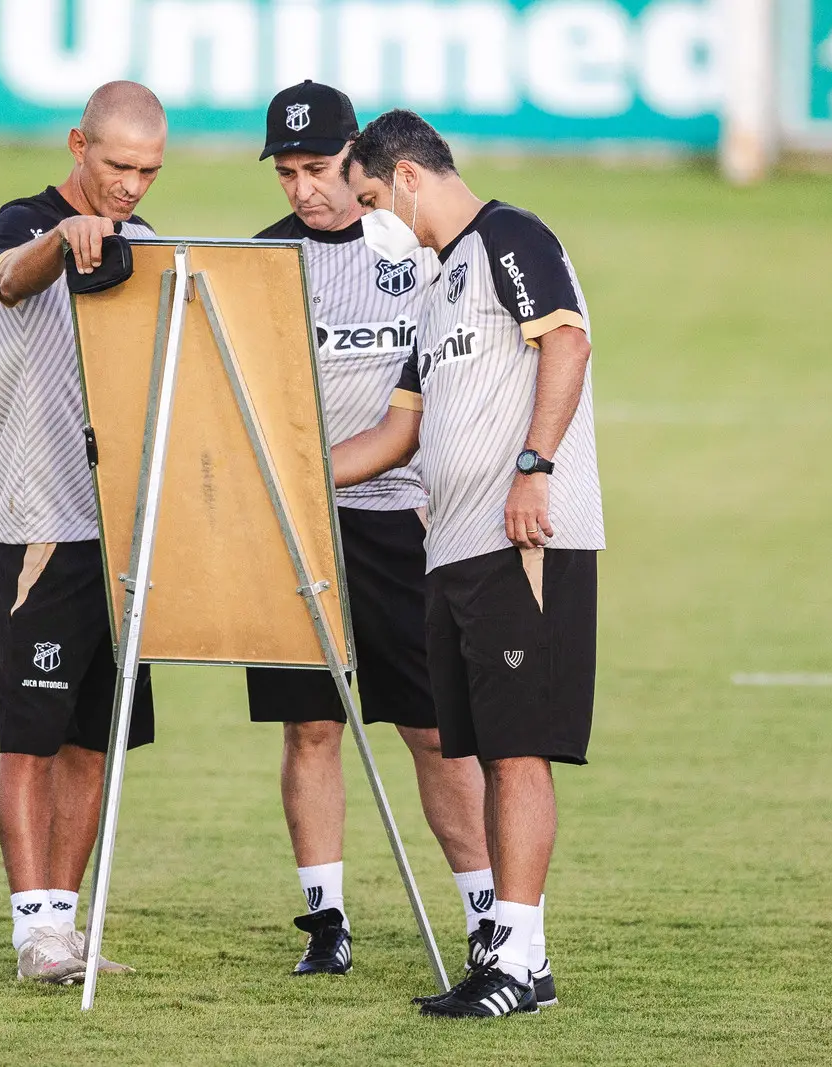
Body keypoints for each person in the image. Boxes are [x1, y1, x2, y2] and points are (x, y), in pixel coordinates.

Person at [334, 109, 602, 1018]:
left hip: (519, 541)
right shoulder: (436, 285)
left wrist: (534, 467)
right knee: (489, 752)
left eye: (373, 199)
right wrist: (288, 471)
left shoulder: (508, 237)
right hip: (449, 551)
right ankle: (519, 956)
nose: (373, 219)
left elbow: (566, 342)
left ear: (408, 177)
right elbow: (395, 433)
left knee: (519, 749)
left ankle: (516, 963)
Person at [249, 81, 492, 978]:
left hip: (402, 521)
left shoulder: (416, 245)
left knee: (433, 730)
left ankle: (487, 916)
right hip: (297, 524)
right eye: (287, 172)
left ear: (358, 157)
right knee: (310, 727)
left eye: (318, 168)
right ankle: (326, 920)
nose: (304, 189)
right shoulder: (260, 261)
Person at [0, 81, 167, 984]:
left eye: (149, 170)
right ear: (77, 144)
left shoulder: (146, 240)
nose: (131, 185)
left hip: (126, 537)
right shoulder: (22, 224)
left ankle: (64, 924)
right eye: (118, 164)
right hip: (41, 526)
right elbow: (13, 278)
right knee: (31, 738)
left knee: (96, 741)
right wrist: (65, 239)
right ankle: (33, 933)